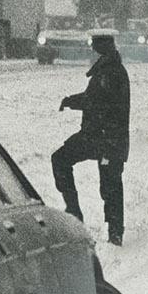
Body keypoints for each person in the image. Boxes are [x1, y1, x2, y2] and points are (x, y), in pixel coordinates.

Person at [53, 30, 130, 244]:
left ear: (104, 45)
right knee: (109, 184)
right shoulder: (109, 68)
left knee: (110, 185)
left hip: (105, 140)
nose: (92, 47)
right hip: (102, 139)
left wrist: (71, 101)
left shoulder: (110, 72)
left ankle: (109, 230)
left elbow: (95, 101)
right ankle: (109, 229)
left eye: (95, 43)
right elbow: (94, 100)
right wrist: (72, 101)